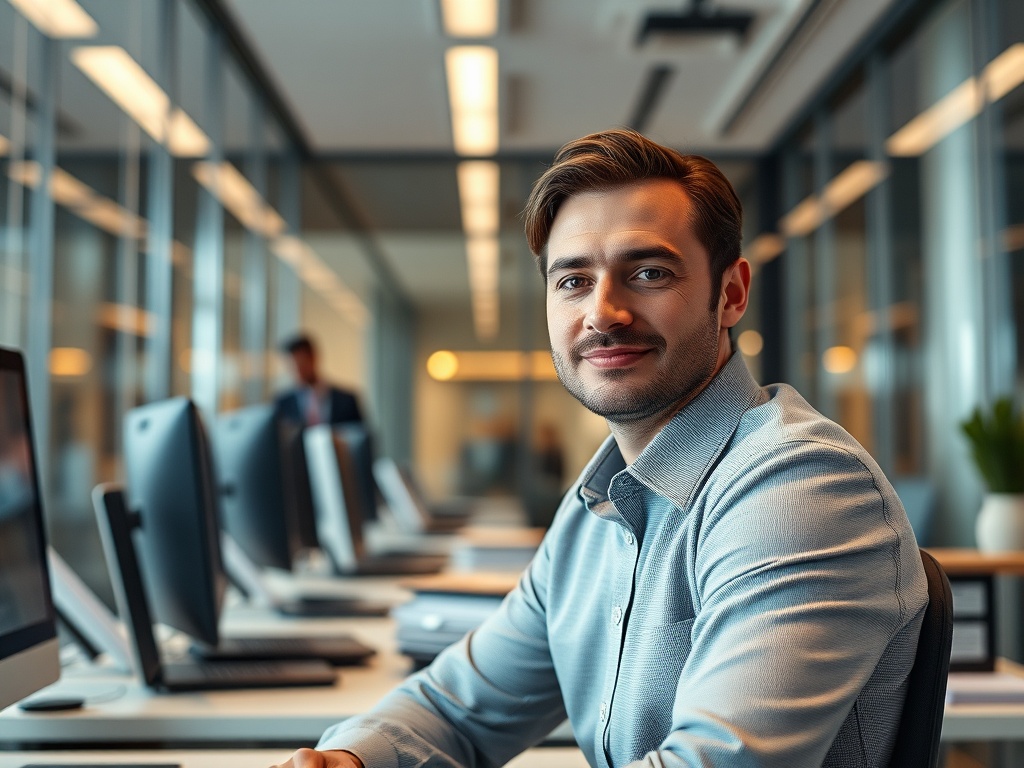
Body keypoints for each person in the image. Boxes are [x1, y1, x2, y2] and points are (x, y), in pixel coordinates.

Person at [277, 129, 927, 767]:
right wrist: (348, 759)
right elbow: (456, 707)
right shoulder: (596, 509)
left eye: (648, 272)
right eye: (573, 281)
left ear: (730, 294)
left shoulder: (797, 488)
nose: (603, 312)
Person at [273, 333, 363, 428]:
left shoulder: (347, 400)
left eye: (301, 364)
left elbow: (361, 433)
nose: (298, 371)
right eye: (292, 366)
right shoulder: (282, 403)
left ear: (314, 358)